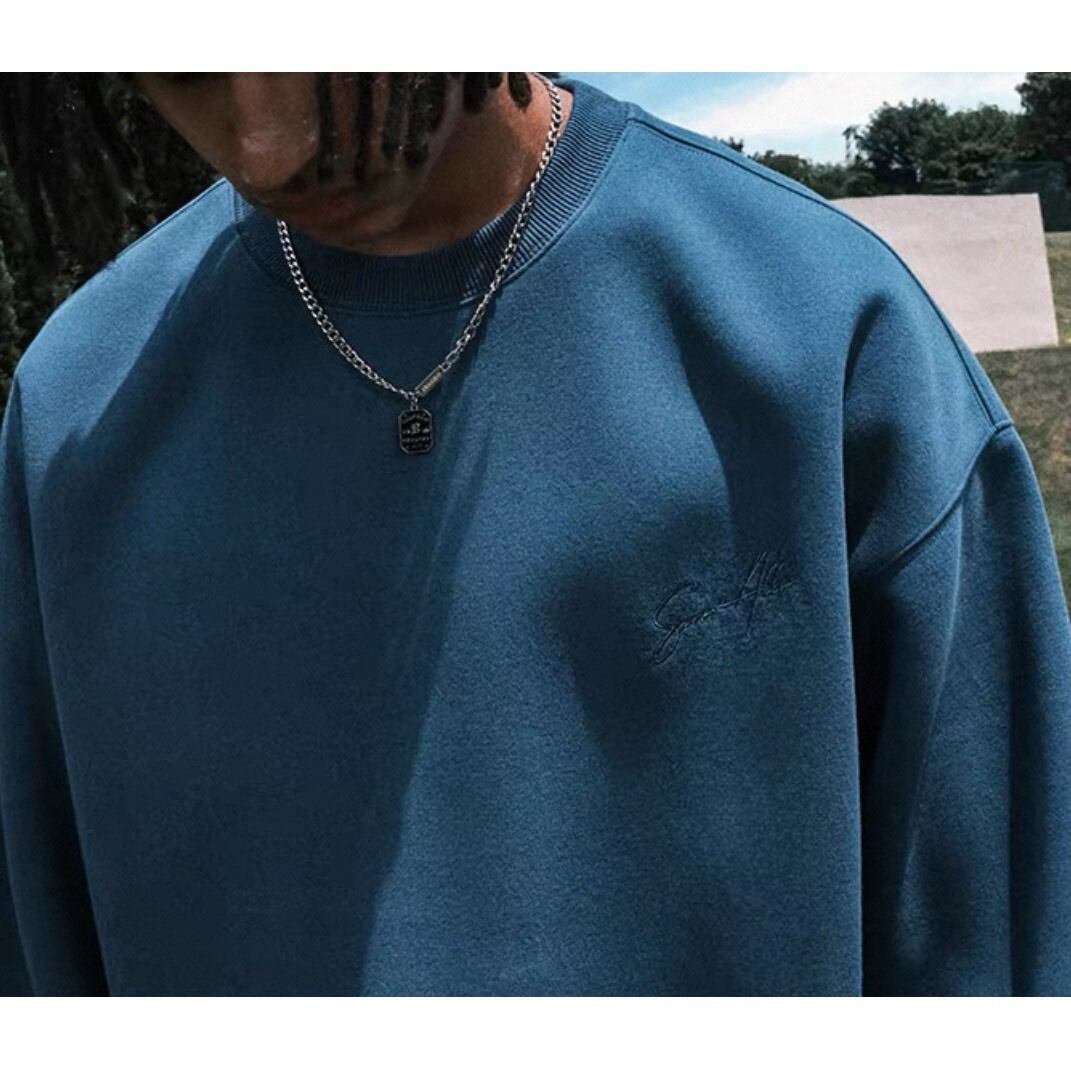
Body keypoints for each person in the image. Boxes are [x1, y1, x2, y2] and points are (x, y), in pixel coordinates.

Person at [0, 72, 1069, 997]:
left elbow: (1004, 957)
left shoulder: (828, 338)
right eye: (186, 70)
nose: (266, 144)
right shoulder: (72, 419)